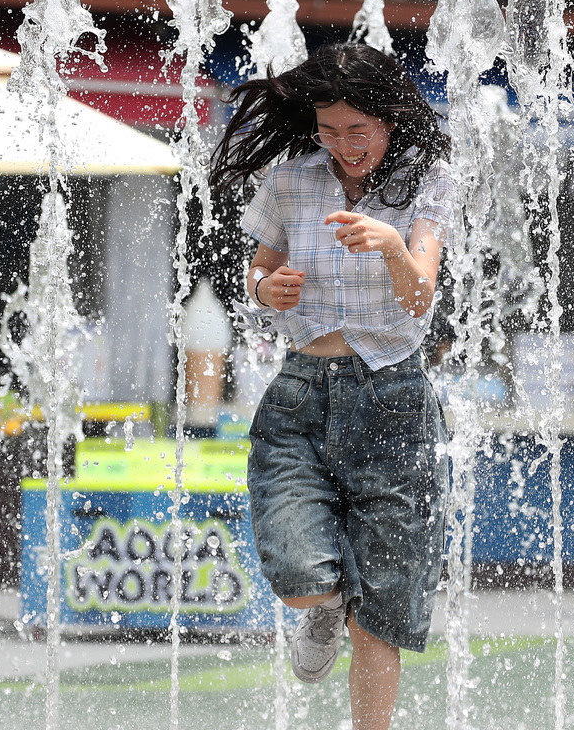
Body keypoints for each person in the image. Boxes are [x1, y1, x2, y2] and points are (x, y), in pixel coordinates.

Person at [209, 43, 453, 730]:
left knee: (382, 611)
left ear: (387, 120)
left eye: (358, 130)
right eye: (329, 130)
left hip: (393, 399)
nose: (344, 146)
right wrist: (268, 288)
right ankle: (320, 609)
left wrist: (391, 246)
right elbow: (257, 277)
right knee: (296, 575)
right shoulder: (293, 181)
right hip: (301, 394)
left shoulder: (426, 179)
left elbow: (420, 297)